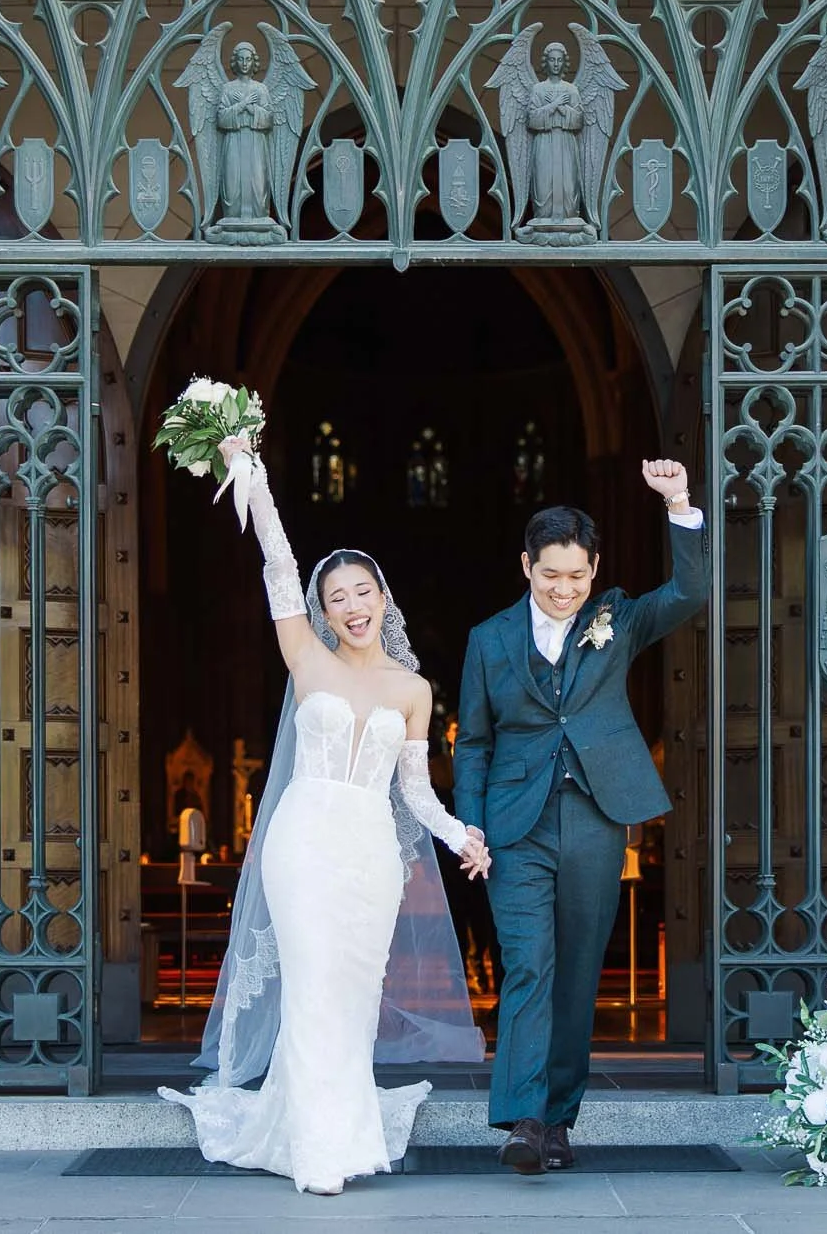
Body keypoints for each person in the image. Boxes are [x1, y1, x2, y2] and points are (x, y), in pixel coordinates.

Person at [159, 436, 491, 1196]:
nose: (351, 605)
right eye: (336, 595)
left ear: (384, 597)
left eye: (362, 591)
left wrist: (457, 834)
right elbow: (277, 562)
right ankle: (318, 1150)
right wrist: (255, 473)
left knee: (351, 992)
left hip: (371, 852)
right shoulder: (304, 655)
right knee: (310, 981)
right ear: (324, 607)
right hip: (303, 839)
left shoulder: (413, 689)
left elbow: (415, 791)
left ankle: (344, 1130)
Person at [454, 466, 706, 1174]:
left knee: (576, 972)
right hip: (514, 823)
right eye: (550, 575)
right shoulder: (489, 638)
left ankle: (560, 1118)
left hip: (597, 815)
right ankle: (524, 1119)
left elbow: (691, 591)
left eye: (577, 575)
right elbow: (472, 741)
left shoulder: (619, 618)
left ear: (594, 568)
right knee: (528, 963)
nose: (564, 590)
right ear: (526, 565)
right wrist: (470, 825)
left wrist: (679, 504)